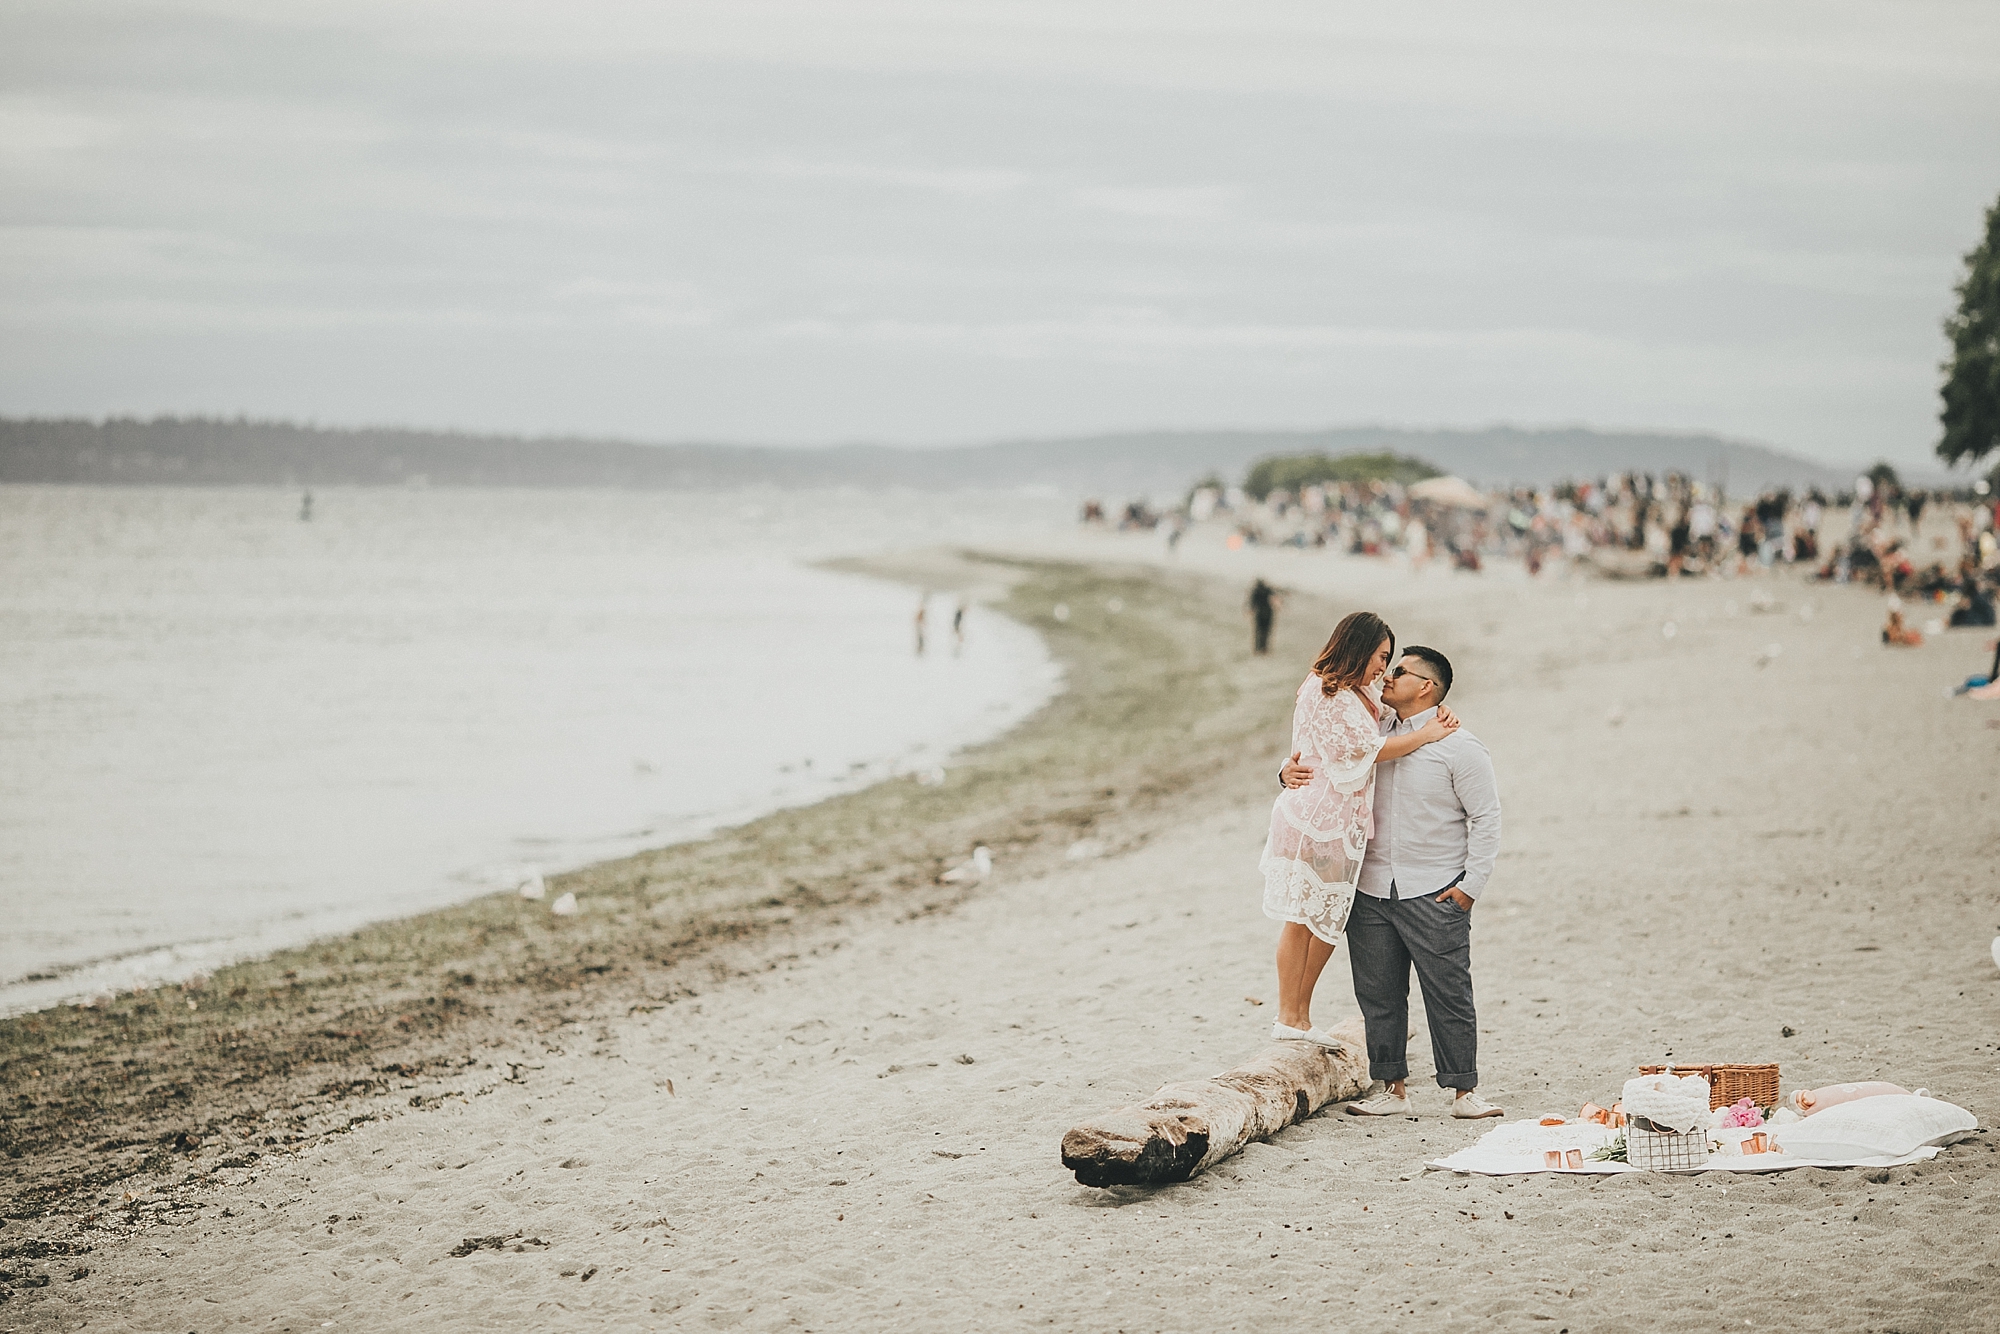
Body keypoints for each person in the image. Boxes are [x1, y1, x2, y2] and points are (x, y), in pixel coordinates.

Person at [1281, 645, 1503, 1119]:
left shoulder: (1460, 746)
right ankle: (1392, 1089)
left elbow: (1486, 818)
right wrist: (1283, 771)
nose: (1387, 674)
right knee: (1377, 994)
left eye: (1399, 670)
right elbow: (1319, 755)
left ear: (1427, 687)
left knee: (1449, 993)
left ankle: (1464, 1092)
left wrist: (1470, 887)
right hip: (1370, 887)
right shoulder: (1371, 732)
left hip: (1435, 889)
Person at [1260, 612, 1457, 1048]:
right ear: (1360, 647)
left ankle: (1298, 1016)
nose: (1383, 669)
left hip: (1338, 822)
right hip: (1317, 820)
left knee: (1327, 919)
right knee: (1304, 919)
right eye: (1381, 657)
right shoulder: (1325, 689)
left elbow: (1379, 722)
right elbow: (1369, 751)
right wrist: (1426, 736)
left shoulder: (1358, 689)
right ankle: (1290, 1016)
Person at [1247, 579, 1280, 654]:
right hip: (1267, 613)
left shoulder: (1256, 591)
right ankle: (1263, 649)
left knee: (1259, 631)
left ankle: (1258, 649)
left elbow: (1252, 603)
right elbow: (1275, 597)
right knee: (1265, 632)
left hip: (1260, 613)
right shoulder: (1267, 590)